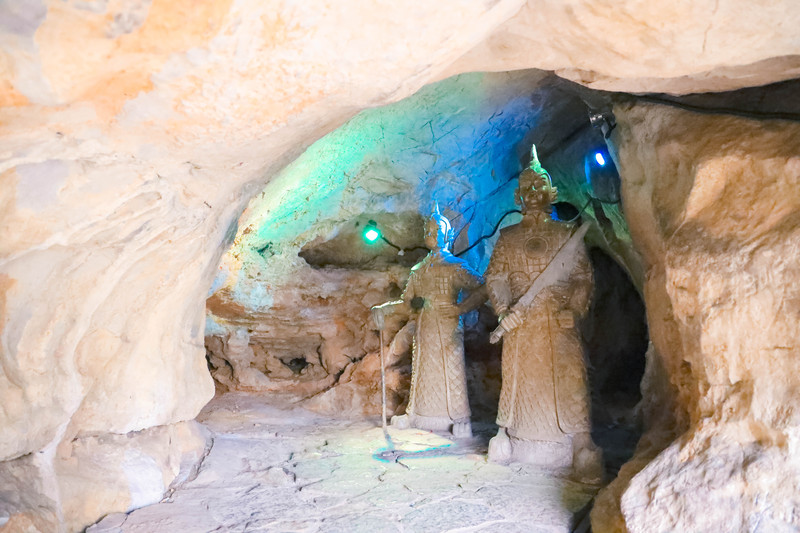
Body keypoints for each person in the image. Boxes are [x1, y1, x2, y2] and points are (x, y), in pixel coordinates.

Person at [485, 146, 602, 482]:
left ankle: (580, 443)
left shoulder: (567, 234)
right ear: (518, 195)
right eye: (527, 187)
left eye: (540, 185)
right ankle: (507, 433)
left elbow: (583, 278)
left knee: (570, 379)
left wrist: (573, 308)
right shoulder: (508, 238)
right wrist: (505, 308)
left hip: (558, 321)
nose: (534, 192)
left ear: (552, 191)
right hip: (521, 325)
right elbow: (495, 277)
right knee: (518, 378)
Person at [372, 204, 484, 438]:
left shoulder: (455, 266)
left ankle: (458, 417)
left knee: (450, 369)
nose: (431, 234)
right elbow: (406, 302)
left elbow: (483, 288)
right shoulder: (418, 270)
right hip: (424, 326)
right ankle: (416, 414)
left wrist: (461, 308)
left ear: (447, 234)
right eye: (428, 230)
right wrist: (385, 309)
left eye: (436, 229)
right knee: (422, 369)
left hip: (447, 325)